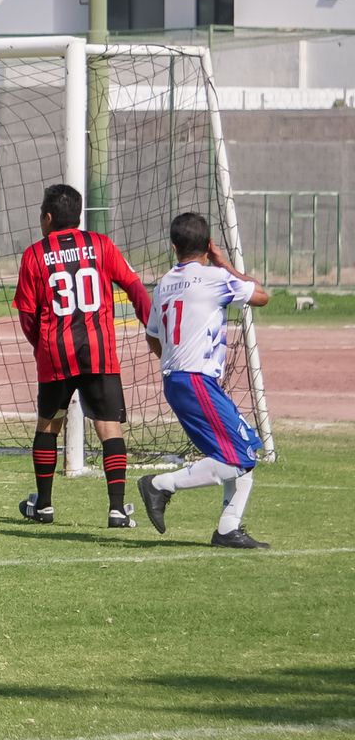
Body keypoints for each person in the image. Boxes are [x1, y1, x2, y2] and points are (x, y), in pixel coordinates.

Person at [10, 183, 152, 528]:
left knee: (49, 426)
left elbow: (27, 314)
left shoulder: (34, 254)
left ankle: (43, 506)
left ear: (47, 217)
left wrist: (40, 345)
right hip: (99, 354)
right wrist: (152, 326)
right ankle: (117, 510)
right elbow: (135, 287)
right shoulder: (101, 245)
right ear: (78, 215)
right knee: (109, 426)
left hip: (56, 356)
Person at [133, 213, 273, 549]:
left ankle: (228, 529)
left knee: (245, 448)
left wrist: (175, 358)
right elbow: (262, 295)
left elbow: (153, 337)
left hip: (178, 380)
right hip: (196, 380)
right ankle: (161, 484)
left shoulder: (164, 283)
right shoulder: (215, 278)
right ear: (208, 246)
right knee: (240, 457)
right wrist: (225, 263)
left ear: (173, 246)